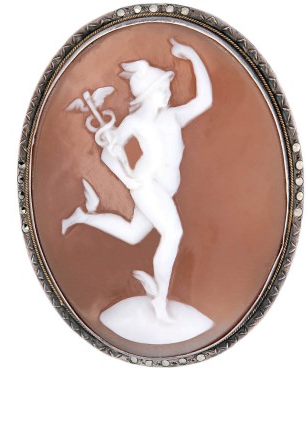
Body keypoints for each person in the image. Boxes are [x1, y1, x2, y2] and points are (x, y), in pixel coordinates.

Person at [62, 38, 213, 322]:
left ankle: (83, 216)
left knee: (133, 234)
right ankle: (160, 301)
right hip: (147, 185)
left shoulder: (173, 117)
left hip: (165, 188)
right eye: (163, 88)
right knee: (173, 233)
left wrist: (192, 55)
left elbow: (204, 101)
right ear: (148, 93)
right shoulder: (134, 123)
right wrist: (128, 179)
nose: (169, 91)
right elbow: (108, 154)